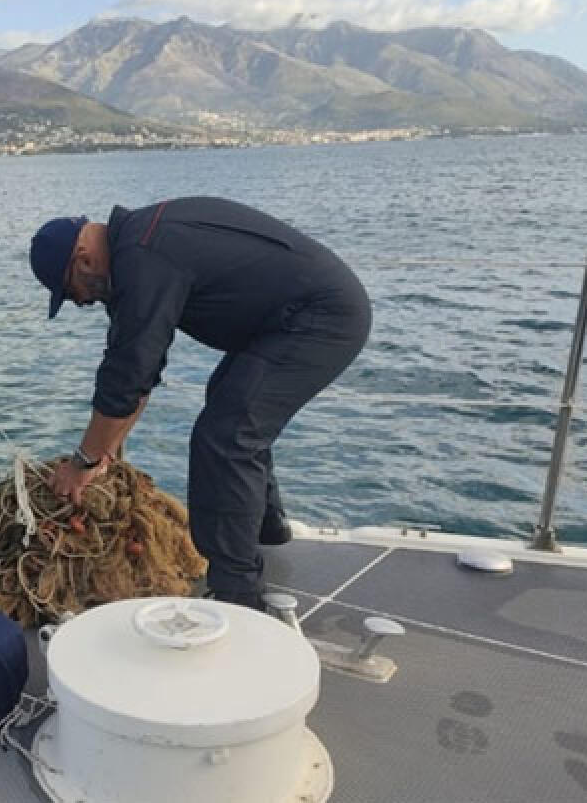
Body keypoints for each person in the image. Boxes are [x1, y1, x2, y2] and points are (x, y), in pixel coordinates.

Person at [29, 197, 370, 610]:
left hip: (321, 318)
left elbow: (128, 374)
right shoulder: (137, 244)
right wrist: (107, 457)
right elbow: (139, 378)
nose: (81, 303)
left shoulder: (141, 259)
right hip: (291, 318)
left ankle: (236, 594)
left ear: (83, 260)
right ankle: (266, 528)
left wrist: (82, 462)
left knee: (227, 435)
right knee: (230, 400)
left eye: (71, 292)